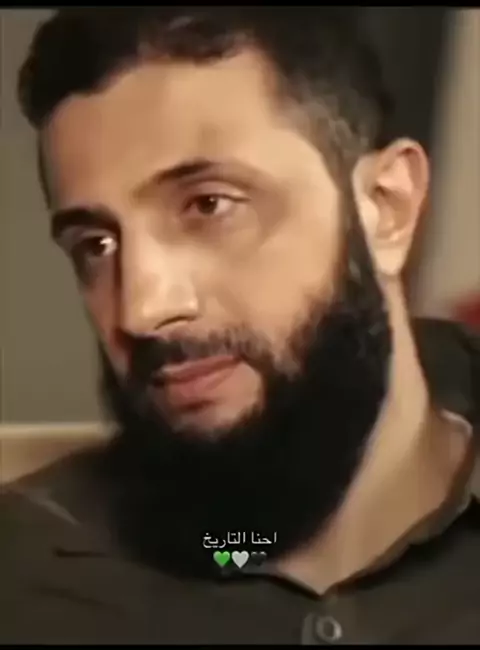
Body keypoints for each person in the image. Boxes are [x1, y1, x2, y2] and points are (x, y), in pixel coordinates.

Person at [2, 7, 480, 644]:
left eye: (209, 205)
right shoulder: (32, 577)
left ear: (385, 208)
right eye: (96, 245)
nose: (142, 309)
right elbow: (232, 549)